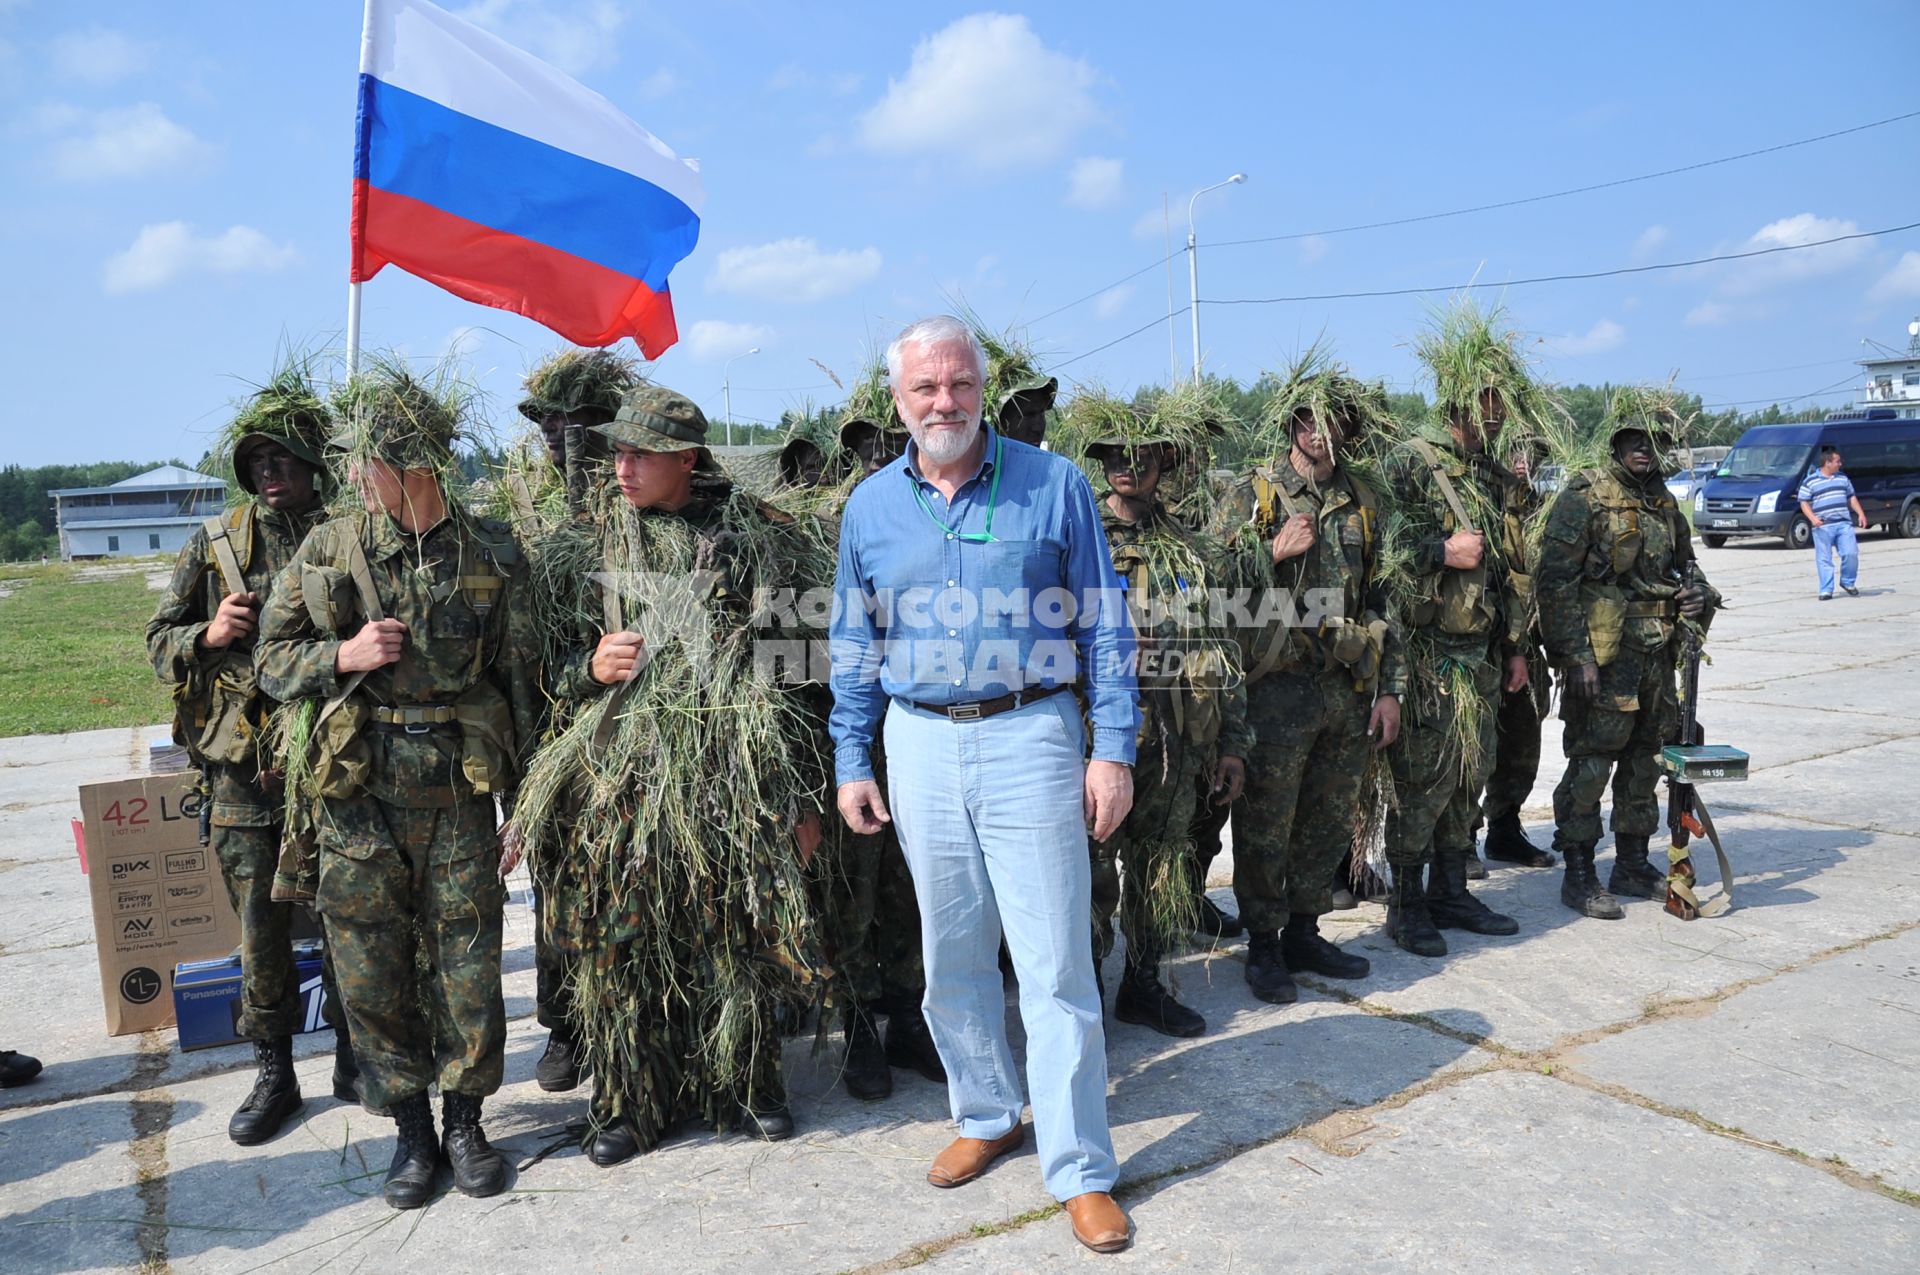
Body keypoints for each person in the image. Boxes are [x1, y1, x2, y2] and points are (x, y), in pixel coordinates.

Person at [829, 315, 1138, 1254]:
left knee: (1053, 965)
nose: (944, 403)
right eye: (925, 389)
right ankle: (988, 1109)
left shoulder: (1056, 486)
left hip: (1033, 732)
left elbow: (1105, 626)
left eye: (959, 385)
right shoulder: (871, 509)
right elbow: (854, 643)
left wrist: (1111, 745)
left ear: (984, 388)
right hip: (919, 741)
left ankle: (1081, 1167)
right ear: (898, 402)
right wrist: (853, 758)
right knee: (952, 954)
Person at [508, 385, 830, 1166]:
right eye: (615, 451)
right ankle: (629, 1103)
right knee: (620, 949)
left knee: (736, 939)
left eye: (638, 453)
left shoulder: (764, 541)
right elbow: (531, 675)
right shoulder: (583, 545)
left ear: (686, 458)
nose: (619, 466)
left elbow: (809, 674)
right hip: (619, 781)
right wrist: (587, 667)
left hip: (733, 777)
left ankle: (747, 1087)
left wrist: (802, 799)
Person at [256, 362, 543, 1209]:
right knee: (369, 967)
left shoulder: (490, 551)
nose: (350, 475)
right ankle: (411, 1132)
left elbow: (522, 686)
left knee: (467, 963)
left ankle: (466, 1122)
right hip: (357, 792)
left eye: (364, 460)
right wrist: (340, 656)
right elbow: (270, 662)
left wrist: (522, 801)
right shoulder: (328, 549)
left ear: (414, 463)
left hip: (457, 788)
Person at [146, 364, 356, 1145]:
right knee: (261, 925)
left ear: (314, 463)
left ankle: (352, 1049)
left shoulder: (348, 535)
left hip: (332, 760)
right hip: (241, 769)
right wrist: (208, 633)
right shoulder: (216, 545)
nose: (271, 472)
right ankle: (275, 1070)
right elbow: (158, 642)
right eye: (258, 460)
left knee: (346, 911)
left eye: (286, 457)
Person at [1212, 354, 1403, 1000]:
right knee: (1267, 821)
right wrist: (1270, 553)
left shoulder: (1364, 500)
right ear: (1292, 422)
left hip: (1345, 690)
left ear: (1350, 427)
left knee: (1326, 819)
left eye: (1334, 419)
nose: (1319, 430)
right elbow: (1212, 590)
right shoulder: (1252, 492)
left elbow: (1383, 597)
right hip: (1277, 688)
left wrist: (1388, 688)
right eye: (1308, 418)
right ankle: (1263, 943)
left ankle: (1303, 927)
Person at [1072, 394, 1249, 1037]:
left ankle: (1144, 985)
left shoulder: (1194, 550)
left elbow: (1227, 649)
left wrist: (1233, 743)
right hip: (1099, 739)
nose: (1128, 467)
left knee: (1162, 866)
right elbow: (1033, 635)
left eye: (1142, 456)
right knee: (1090, 873)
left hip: (1177, 739)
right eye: (1116, 456)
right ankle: (1085, 994)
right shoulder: (1077, 539)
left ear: (1162, 464)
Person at [1380, 304, 1541, 958]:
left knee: (1469, 773)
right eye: (1486, 399)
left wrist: (1513, 648)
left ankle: (1452, 886)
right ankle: (1407, 901)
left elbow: (1507, 568)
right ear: (1457, 400)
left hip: (1479, 651)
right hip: (1428, 653)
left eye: (1502, 400)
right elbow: (1384, 552)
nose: (1497, 411)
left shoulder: (1490, 475)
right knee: (1424, 777)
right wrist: (1440, 552)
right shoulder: (1411, 461)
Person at [510, 348, 641, 1098]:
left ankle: (633, 1027)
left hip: (631, 734)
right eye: (551, 423)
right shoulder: (529, 524)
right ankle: (565, 1021)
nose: (560, 436)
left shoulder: (644, 517)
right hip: (552, 736)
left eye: (579, 422)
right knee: (557, 885)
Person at [807, 380, 942, 1103]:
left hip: (921, 730)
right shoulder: (829, 521)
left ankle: (912, 1018)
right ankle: (858, 1021)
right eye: (863, 446)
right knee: (853, 891)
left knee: (914, 886)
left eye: (885, 445)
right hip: (855, 729)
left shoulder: (924, 517)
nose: (877, 456)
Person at [1537, 394, 1719, 916]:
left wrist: (1698, 595)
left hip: (1659, 655)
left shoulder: (1664, 501)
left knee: (1646, 761)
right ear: (1615, 442)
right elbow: (1555, 583)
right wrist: (1575, 657)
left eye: (1655, 441)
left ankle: (1633, 862)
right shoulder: (1585, 496)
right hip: (1606, 653)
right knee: (1593, 762)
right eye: (1634, 439)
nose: (1645, 448)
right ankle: (1579, 872)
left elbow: (1689, 566)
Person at [1468, 437, 1557, 874]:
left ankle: (1504, 828)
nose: (1523, 464)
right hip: (1480, 644)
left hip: (1529, 646)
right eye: (1515, 454)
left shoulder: (1541, 509)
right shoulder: (1476, 498)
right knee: (1471, 745)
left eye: (1532, 457)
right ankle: (1460, 838)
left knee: (1522, 743)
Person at [1797, 446, 1867, 600]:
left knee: (1850, 553)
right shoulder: (1810, 481)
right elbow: (1803, 502)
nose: (1840, 464)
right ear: (1827, 463)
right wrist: (1813, 519)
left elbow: (1851, 497)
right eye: (1837, 461)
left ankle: (1848, 582)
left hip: (1843, 524)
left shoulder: (1843, 478)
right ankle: (1826, 590)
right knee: (1824, 558)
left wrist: (1861, 514)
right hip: (1823, 526)